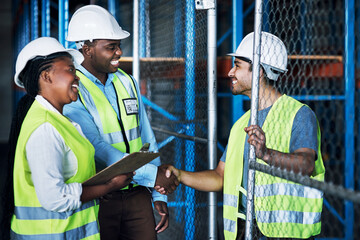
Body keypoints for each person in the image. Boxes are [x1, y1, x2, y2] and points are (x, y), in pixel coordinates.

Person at [156, 32, 326, 239]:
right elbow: (220, 177)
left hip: (285, 234)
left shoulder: (299, 114)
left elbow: (306, 165)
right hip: (246, 230)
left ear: (259, 71)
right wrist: (180, 175)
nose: (230, 72)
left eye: (237, 65)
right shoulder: (241, 124)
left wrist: (265, 154)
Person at [63, 5, 177, 240]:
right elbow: (96, 146)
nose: (118, 52)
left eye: (118, 46)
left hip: (137, 195)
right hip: (100, 196)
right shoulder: (73, 87)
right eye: (111, 47)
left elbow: (147, 137)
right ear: (87, 49)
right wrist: (151, 175)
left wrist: (159, 194)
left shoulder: (126, 81)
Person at [5, 37, 134, 240]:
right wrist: (108, 186)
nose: (77, 78)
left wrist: (98, 188)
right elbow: (55, 198)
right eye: (70, 70)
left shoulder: (60, 121)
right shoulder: (45, 127)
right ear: (46, 76)